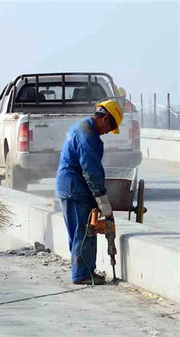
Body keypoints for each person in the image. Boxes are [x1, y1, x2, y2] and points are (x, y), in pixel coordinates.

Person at [55, 99, 124, 285]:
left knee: (78, 231)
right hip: (75, 188)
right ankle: (83, 274)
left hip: (69, 186)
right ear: (105, 118)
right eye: (111, 127)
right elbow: (91, 169)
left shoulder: (82, 127)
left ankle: (81, 270)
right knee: (84, 231)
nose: (109, 132)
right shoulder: (88, 134)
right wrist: (101, 198)